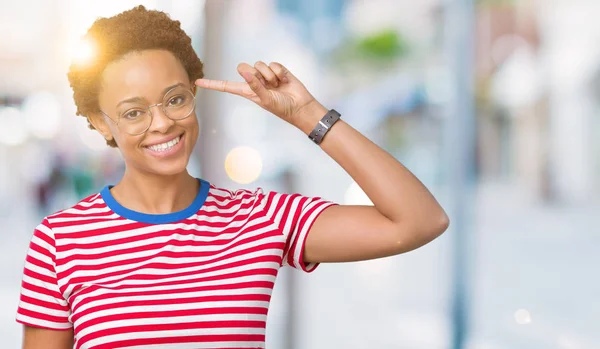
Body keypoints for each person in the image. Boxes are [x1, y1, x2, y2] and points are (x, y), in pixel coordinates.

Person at [16, 5, 449, 349]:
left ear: (194, 92)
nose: (162, 123)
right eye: (133, 112)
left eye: (175, 98)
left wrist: (308, 115)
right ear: (102, 123)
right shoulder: (61, 240)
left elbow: (420, 220)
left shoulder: (260, 219)